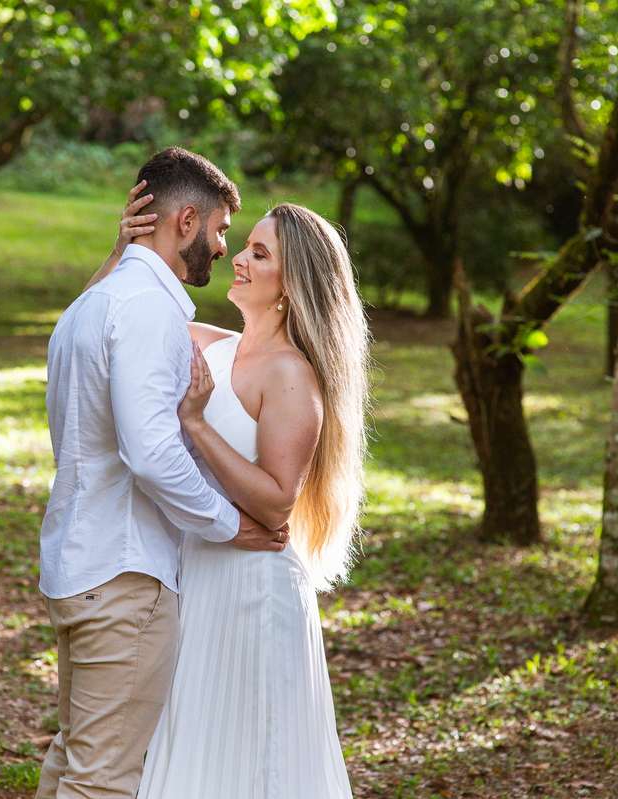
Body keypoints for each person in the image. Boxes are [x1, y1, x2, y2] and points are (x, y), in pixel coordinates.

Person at [98, 187, 371, 798]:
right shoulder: (209, 344)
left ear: (292, 287)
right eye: (244, 246)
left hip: (254, 586)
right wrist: (128, 247)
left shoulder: (291, 376)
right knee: (192, 747)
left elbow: (277, 502)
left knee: (256, 758)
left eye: (260, 254)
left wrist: (195, 424)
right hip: (197, 576)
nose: (238, 258)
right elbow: (104, 313)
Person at [35, 147, 290, 799]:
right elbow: (150, 451)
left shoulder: (90, 304)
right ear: (185, 220)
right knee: (103, 779)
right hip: (124, 576)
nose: (223, 246)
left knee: (75, 759)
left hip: (77, 560)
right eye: (221, 229)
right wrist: (226, 523)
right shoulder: (148, 309)